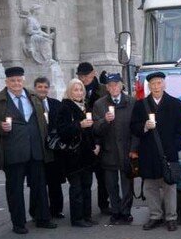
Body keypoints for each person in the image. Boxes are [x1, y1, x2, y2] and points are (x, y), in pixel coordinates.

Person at [0, 66, 57, 234]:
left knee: (39, 186)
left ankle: (42, 218)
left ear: (23, 80)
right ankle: (18, 222)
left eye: (19, 80)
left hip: (35, 149)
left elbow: (41, 120)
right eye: (12, 80)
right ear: (6, 82)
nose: (16, 83)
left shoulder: (32, 96)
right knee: (15, 189)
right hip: (12, 152)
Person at [130, 71, 181, 232]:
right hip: (148, 154)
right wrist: (144, 127)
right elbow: (133, 127)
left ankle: (171, 218)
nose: (156, 87)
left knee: (169, 186)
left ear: (164, 84)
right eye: (153, 84)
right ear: (149, 86)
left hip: (168, 153)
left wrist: (174, 147)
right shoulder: (141, 105)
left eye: (159, 83)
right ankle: (155, 216)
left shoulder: (176, 104)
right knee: (150, 187)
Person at [92, 73, 138, 225]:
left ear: (121, 85)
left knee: (127, 184)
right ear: (107, 87)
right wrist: (105, 120)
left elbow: (136, 128)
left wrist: (133, 149)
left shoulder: (131, 102)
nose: (113, 88)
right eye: (110, 85)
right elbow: (95, 129)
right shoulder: (100, 104)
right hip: (109, 151)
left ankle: (126, 212)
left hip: (126, 150)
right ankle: (116, 211)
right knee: (111, 185)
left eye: (116, 85)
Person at [56, 78, 100, 227]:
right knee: (76, 188)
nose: (79, 92)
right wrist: (79, 125)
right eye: (75, 89)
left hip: (86, 154)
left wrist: (96, 145)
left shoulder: (84, 106)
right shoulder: (65, 107)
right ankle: (77, 218)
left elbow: (90, 132)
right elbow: (62, 131)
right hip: (72, 155)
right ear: (69, 91)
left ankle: (87, 215)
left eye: (81, 89)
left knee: (87, 186)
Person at [28, 77, 65, 219]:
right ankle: (36, 211)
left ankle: (57, 209)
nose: (42, 90)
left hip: (53, 149)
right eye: (39, 87)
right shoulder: (30, 105)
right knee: (37, 183)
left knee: (54, 182)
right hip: (37, 149)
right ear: (35, 88)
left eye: (45, 87)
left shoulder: (56, 104)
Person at [76, 62, 110, 215]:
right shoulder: (78, 90)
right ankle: (85, 207)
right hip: (85, 137)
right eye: (80, 76)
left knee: (102, 175)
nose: (83, 79)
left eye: (86, 76)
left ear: (93, 74)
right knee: (86, 176)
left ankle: (104, 204)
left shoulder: (102, 90)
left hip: (101, 134)